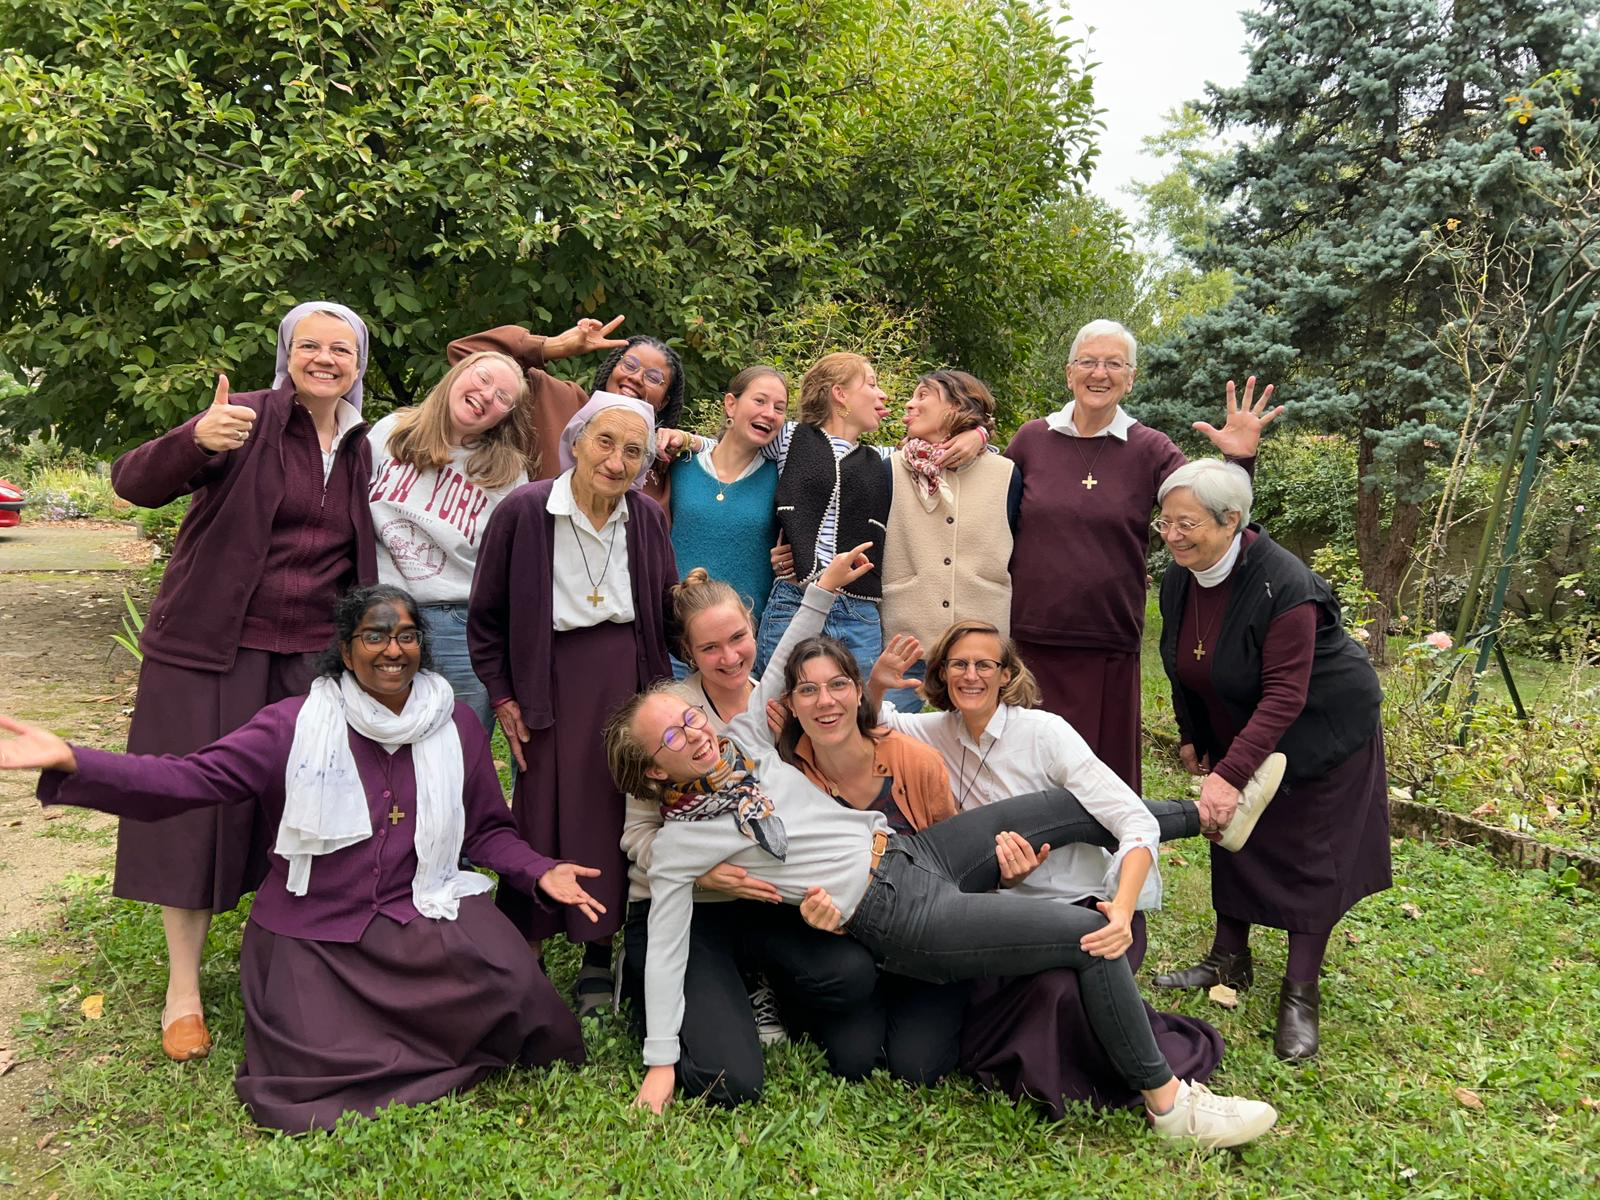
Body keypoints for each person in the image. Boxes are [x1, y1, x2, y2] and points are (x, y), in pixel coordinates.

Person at [605, 545, 1281, 1149]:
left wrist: (823, 589)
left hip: (912, 854)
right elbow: (663, 950)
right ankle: (1172, 1108)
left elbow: (786, 657)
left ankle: (1208, 816)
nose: (695, 732)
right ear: (658, 772)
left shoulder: (746, 740)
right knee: (1090, 934)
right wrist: (662, 1064)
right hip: (897, 916)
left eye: (690, 718)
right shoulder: (680, 844)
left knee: (1058, 807)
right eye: (673, 739)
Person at [0, 586, 597, 1133]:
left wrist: (537, 869)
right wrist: (73, 761)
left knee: (521, 993)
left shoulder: (456, 724)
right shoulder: (292, 725)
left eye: (408, 636)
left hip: (419, 907)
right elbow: (187, 780)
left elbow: (487, 830)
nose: (393, 650)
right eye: (375, 635)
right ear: (345, 647)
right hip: (316, 929)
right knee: (308, 1079)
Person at [108, 301, 377, 1061]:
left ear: (359, 365)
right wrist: (192, 439)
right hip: (209, 649)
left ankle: (284, 968)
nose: (326, 359)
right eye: (311, 345)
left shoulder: (359, 447)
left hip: (308, 663)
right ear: (288, 352)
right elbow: (134, 483)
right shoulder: (245, 420)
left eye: (342, 349)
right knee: (190, 809)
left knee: (300, 817)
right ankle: (183, 991)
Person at [867, 621, 1230, 1113]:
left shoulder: (1045, 734)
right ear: (942, 673)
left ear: (1006, 674)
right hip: (1006, 915)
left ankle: (1147, 1085)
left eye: (984, 665)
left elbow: (1135, 823)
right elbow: (872, 722)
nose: (970, 675)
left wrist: (1121, 912)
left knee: (1059, 993)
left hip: (1084, 902)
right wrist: (877, 680)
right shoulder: (934, 732)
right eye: (958, 664)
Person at [1150, 459, 1390, 1062]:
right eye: (1166, 522)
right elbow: (1180, 659)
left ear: (1231, 522)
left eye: (1188, 523)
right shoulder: (1181, 575)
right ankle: (1229, 958)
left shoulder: (1284, 584)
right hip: (1244, 723)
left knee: (1311, 854)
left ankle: (1300, 994)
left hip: (1320, 729)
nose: (1173, 535)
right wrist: (1193, 735)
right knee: (1235, 836)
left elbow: (1287, 692)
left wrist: (1230, 773)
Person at [617, 569, 884, 1104]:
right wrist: (702, 867)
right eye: (710, 647)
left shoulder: (774, 702)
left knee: (852, 980)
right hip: (688, 906)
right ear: (689, 654)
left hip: (765, 900)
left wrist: (823, 592)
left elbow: (845, 715)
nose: (730, 657)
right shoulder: (669, 719)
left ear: (754, 630)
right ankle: (667, 991)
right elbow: (638, 837)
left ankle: (760, 983)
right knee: (731, 1080)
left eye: (738, 638)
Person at [1005, 318, 1282, 790]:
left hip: (1107, 641)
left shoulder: (1151, 449)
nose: (1100, 372)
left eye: (1115, 363)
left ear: (1131, 378)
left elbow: (1210, 506)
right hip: (1028, 639)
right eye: (1089, 361)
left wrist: (1238, 462)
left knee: (1099, 788)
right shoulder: (1032, 440)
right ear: (1069, 372)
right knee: (1022, 779)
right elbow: (993, 519)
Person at [468, 392, 677, 1016]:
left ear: (644, 465)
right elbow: (486, 616)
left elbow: (662, 611)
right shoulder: (527, 510)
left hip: (625, 678)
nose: (616, 461)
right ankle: (527, 943)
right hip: (548, 676)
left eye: (632, 451)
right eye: (605, 442)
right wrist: (503, 694)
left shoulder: (645, 518)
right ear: (577, 441)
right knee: (539, 804)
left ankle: (596, 950)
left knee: (616, 809)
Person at [773, 632, 971, 1085]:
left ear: (859, 691)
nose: (825, 701)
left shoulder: (914, 760)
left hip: (924, 933)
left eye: (838, 684)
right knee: (855, 1060)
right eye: (808, 690)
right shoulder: (789, 780)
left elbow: (951, 858)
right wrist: (811, 915)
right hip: (846, 945)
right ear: (791, 703)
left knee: (917, 1066)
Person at [367, 350, 537, 727]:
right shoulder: (390, 431)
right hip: (379, 614)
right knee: (378, 741)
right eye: (482, 378)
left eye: (503, 397)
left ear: (505, 416)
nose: (488, 395)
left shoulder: (507, 473)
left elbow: (510, 567)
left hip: (456, 624)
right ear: (458, 373)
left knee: (458, 749)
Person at [879, 370, 1020, 711]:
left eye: (923, 395)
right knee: (883, 743)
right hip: (906, 641)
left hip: (980, 649)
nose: (910, 404)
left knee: (980, 752)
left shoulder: (1006, 474)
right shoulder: (890, 468)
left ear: (957, 405)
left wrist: (980, 434)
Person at [447, 316, 685, 503]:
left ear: (664, 402)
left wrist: (688, 440)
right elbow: (467, 354)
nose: (636, 378)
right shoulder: (559, 400)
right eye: (629, 365)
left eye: (654, 378)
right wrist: (554, 346)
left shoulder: (660, 464)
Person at [666, 366, 787, 636]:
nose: (769, 413)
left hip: (744, 640)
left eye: (780, 408)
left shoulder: (781, 479)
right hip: (676, 634)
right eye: (760, 400)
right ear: (730, 404)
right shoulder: (680, 466)